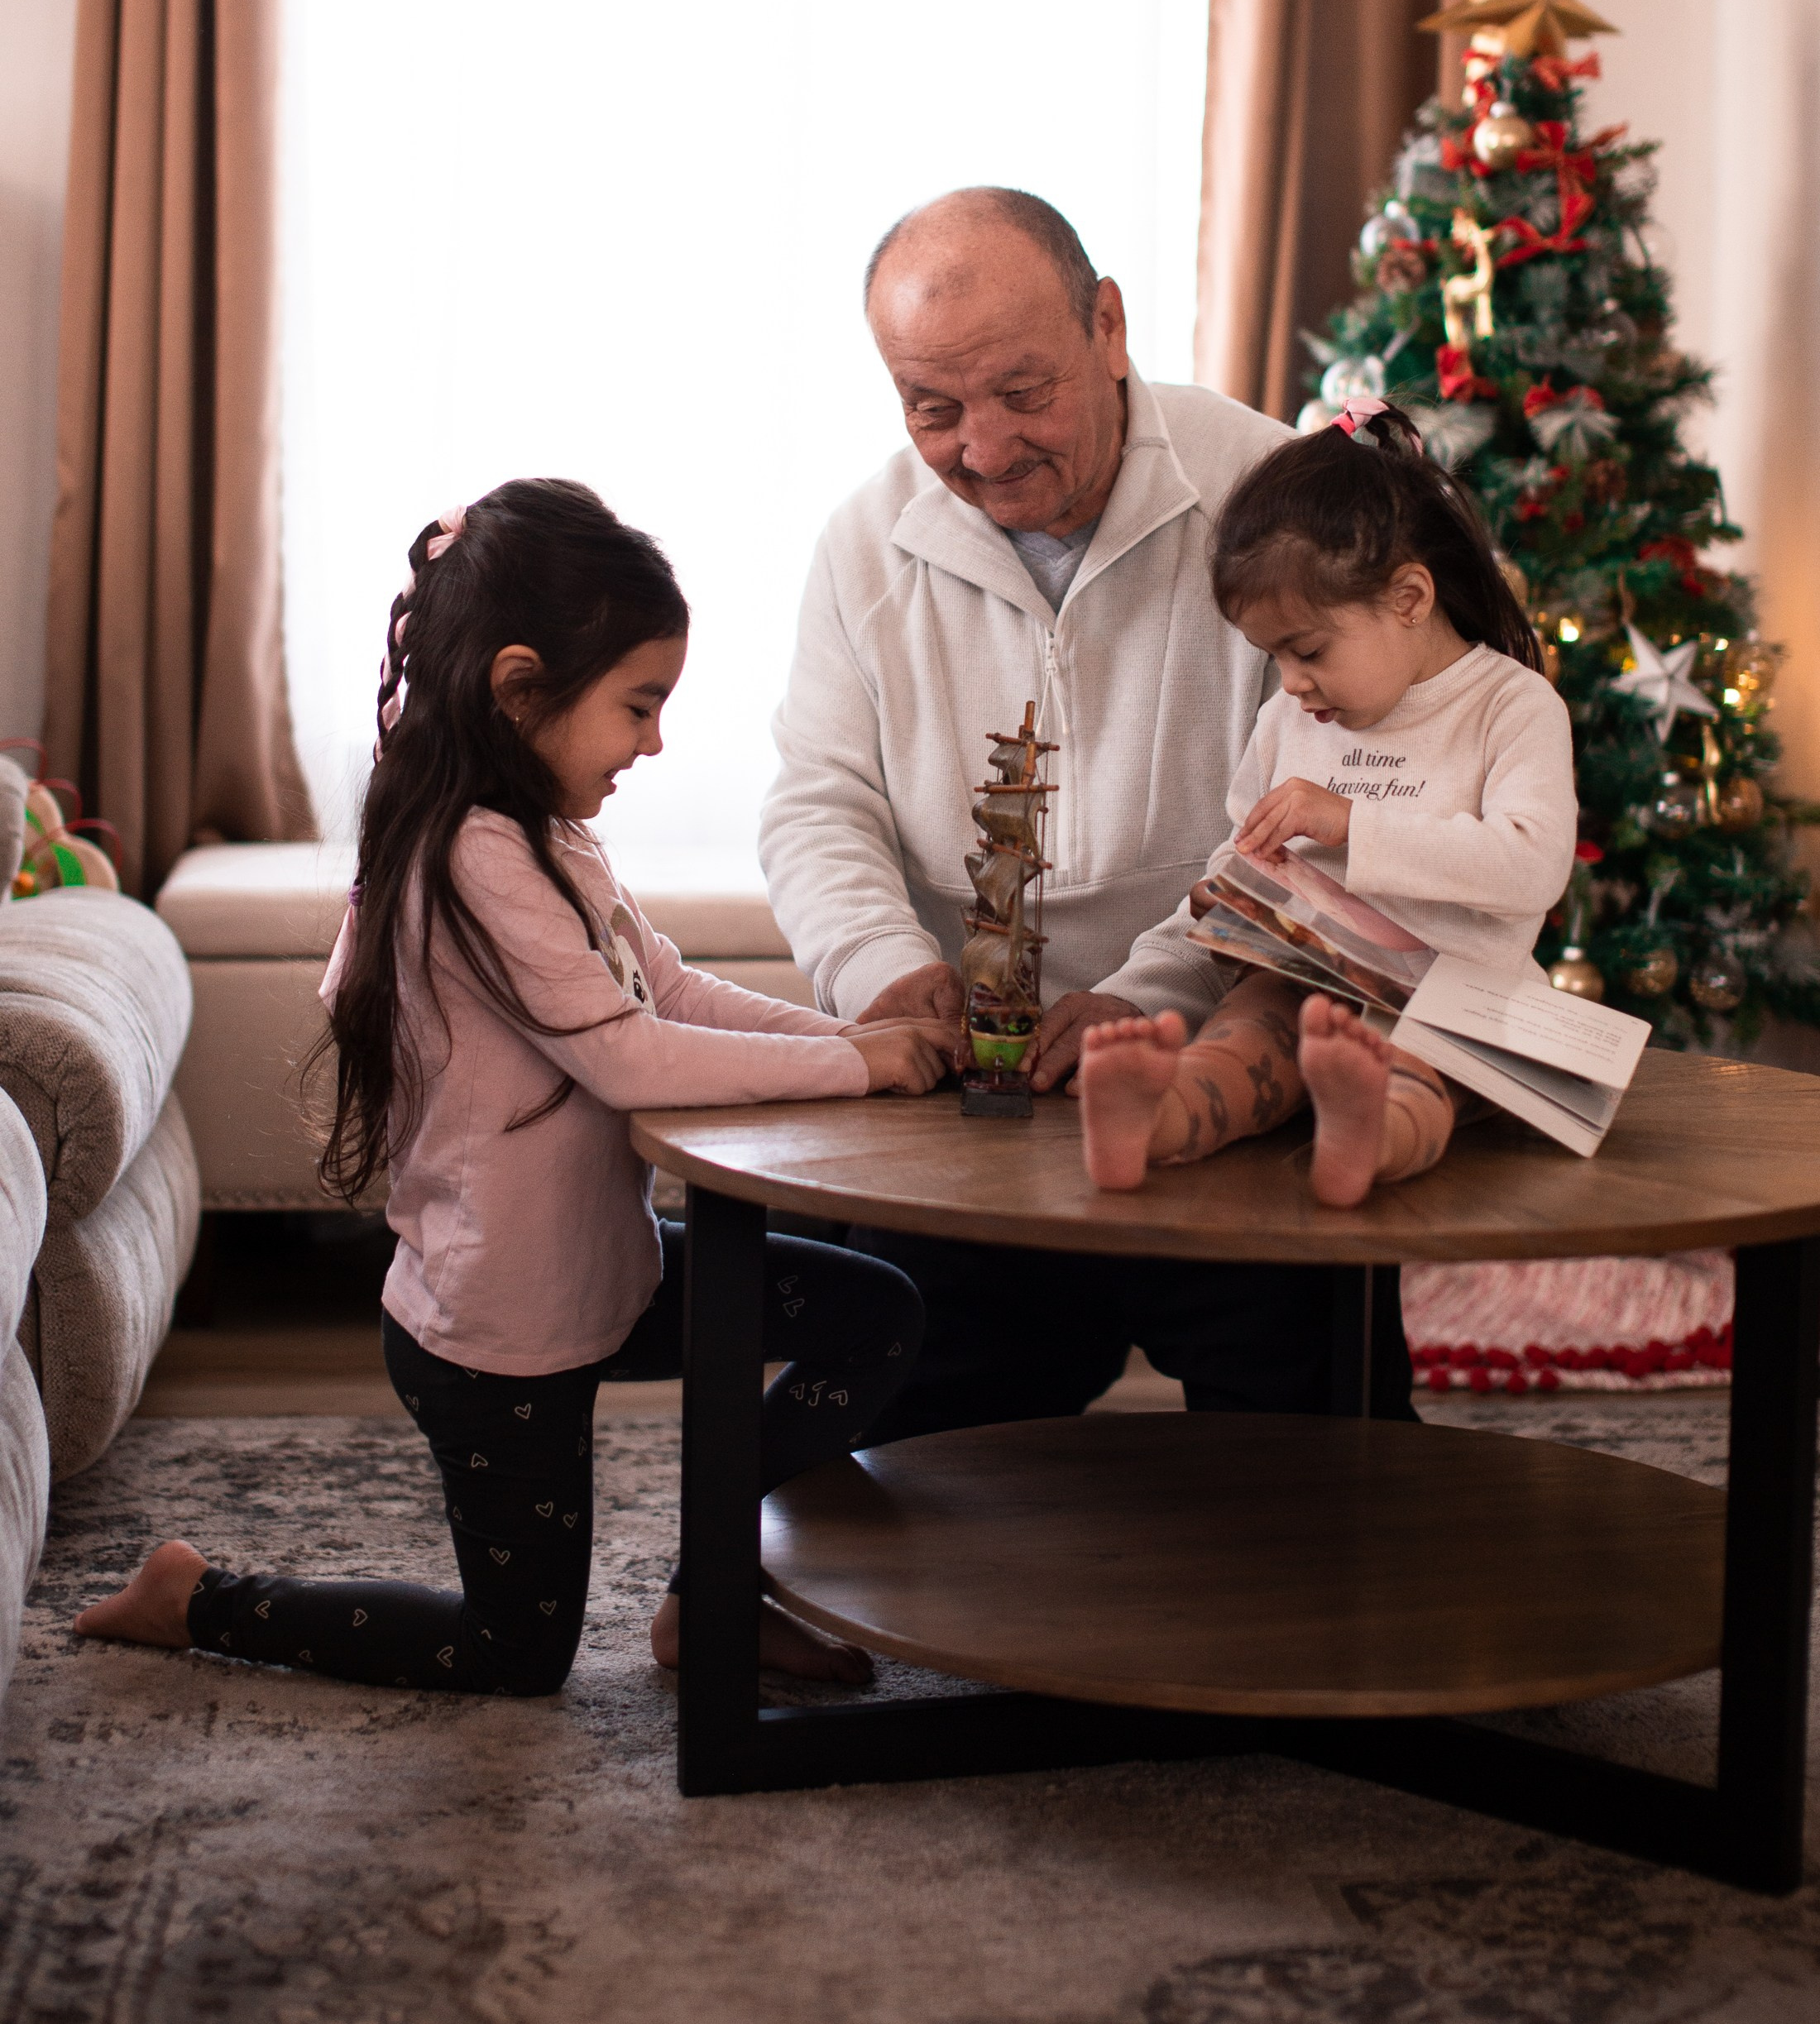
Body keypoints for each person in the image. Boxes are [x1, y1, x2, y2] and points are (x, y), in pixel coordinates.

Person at [75, 479, 946, 1696]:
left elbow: (672, 995)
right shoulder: (467, 856)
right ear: (522, 688)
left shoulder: (546, 831)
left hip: (611, 1272)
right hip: (500, 1340)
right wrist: (856, 1065)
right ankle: (201, 1599)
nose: (655, 743)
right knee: (515, 1654)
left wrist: (856, 1038)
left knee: (873, 1315)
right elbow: (629, 1057)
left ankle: (711, 1597)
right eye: (638, 706)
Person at [759, 186, 1375, 1433]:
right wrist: (881, 968)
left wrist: (1154, 999)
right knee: (870, 1466)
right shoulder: (864, 544)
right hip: (973, 1111)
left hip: (1226, 1076)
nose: (981, 450)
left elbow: (1322, 819)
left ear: (1108, 327)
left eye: (1020, 393)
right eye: (933, 409)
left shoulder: (1273, 494)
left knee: (1328, 1471)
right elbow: (818, 803)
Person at [1078, 397, 1578, 1204]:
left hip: (1460, 998)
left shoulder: (1509, 706)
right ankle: (1155, 1118)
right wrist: (1228, 895)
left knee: (1415, 1075)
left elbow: (1530, 867)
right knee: (1236, 1042)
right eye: (1272, 656)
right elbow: (1244, 847)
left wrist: (1349, 822)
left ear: (1410, 598)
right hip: (1308, 982)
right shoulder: (1289, 718)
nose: (1291, 683)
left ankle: (1366, 1135)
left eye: (1306, 650)